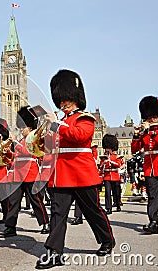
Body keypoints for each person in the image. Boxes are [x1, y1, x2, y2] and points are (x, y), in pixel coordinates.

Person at [36, 69, 114, 269]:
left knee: (92, 210)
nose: (63, 104)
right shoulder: (60, 122)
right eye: (61, 100)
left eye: (66, 99)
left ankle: (107, 240)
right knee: (58, 213)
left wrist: (56, 124)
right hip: (61, 174)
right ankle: (54, 253)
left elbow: (78, 136)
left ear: (76, 98)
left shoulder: (85, 118)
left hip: (81, 173)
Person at [0, 106, 50, 238]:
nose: (21, 130)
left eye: (23, 127)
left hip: (30, 173)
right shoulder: (21, 140)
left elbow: (28, 151)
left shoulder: (34, 138)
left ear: (30, 127)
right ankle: (10, 227)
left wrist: (14, 142)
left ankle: (45, 223)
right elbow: (16, 156)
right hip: (18, 174)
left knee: (36, 201)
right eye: (21, 127)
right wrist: (7, 152)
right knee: (13, 201)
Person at [131, 95, 158, 233]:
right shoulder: (145, 133)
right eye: (149, 117)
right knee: (152, 195)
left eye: (154, 116)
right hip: (150, 168)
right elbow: (134, 149)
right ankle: (153, 222)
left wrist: (149, 131)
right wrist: (137, 135)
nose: (151, 119)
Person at [100, 134, 122, 214]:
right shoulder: (104, 157)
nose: (107, 150)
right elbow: (101, 166)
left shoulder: (116, 156)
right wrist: (104, 163)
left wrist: (110, 161)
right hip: (107, 176)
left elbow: (118, 165)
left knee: (116, 192)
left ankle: (118, 204)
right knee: (107, 192)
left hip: (115, 175)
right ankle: (108, 208)